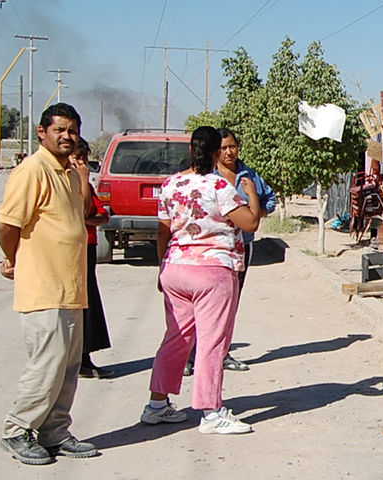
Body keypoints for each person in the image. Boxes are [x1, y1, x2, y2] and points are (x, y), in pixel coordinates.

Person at [0, 103, 98, 465]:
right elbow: (7, 225)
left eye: (73, 130)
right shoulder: (32, 170)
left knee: (68, 369)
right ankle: (16, 430)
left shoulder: (69, 172)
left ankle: (54, 431)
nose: (67, 136)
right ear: (42, 132)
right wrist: (14, 259)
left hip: (71, 288)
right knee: (47, 366)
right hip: (43, 288)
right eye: (60, 130)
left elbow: (80, 216)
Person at [141, 126, 261, 435]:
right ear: (217, 152)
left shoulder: (171, 184)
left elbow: (162, 232)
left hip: (175, 268)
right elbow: (250, 222)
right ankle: (211, 412)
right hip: (212, 270)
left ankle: (156, 404)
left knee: (176, 337)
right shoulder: (219, 186)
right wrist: (251, 193)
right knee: (211, 342)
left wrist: (161, 268)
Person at [183, 127, 276, 375]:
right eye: (223, 148)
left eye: (232, 146)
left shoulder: (248, 175)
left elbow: (270, 200)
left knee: (229, 303)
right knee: (201, 305)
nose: (229, 152)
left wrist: (255, 210)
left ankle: (222, 354)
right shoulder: (207, 175)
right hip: (211, 249)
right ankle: (190, 356)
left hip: (241, 246)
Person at [70, 138, 113, 379]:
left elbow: (101, 215)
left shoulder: (84, 183)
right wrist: (84, 180)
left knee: (89, 300)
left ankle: (85, 357)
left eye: (85, 159)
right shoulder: (70, 182)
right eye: (78, 159)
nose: (82, 164)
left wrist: (89, 218)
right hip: (74, 248)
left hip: (89, 245)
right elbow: (85, 210)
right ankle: (77, 359)